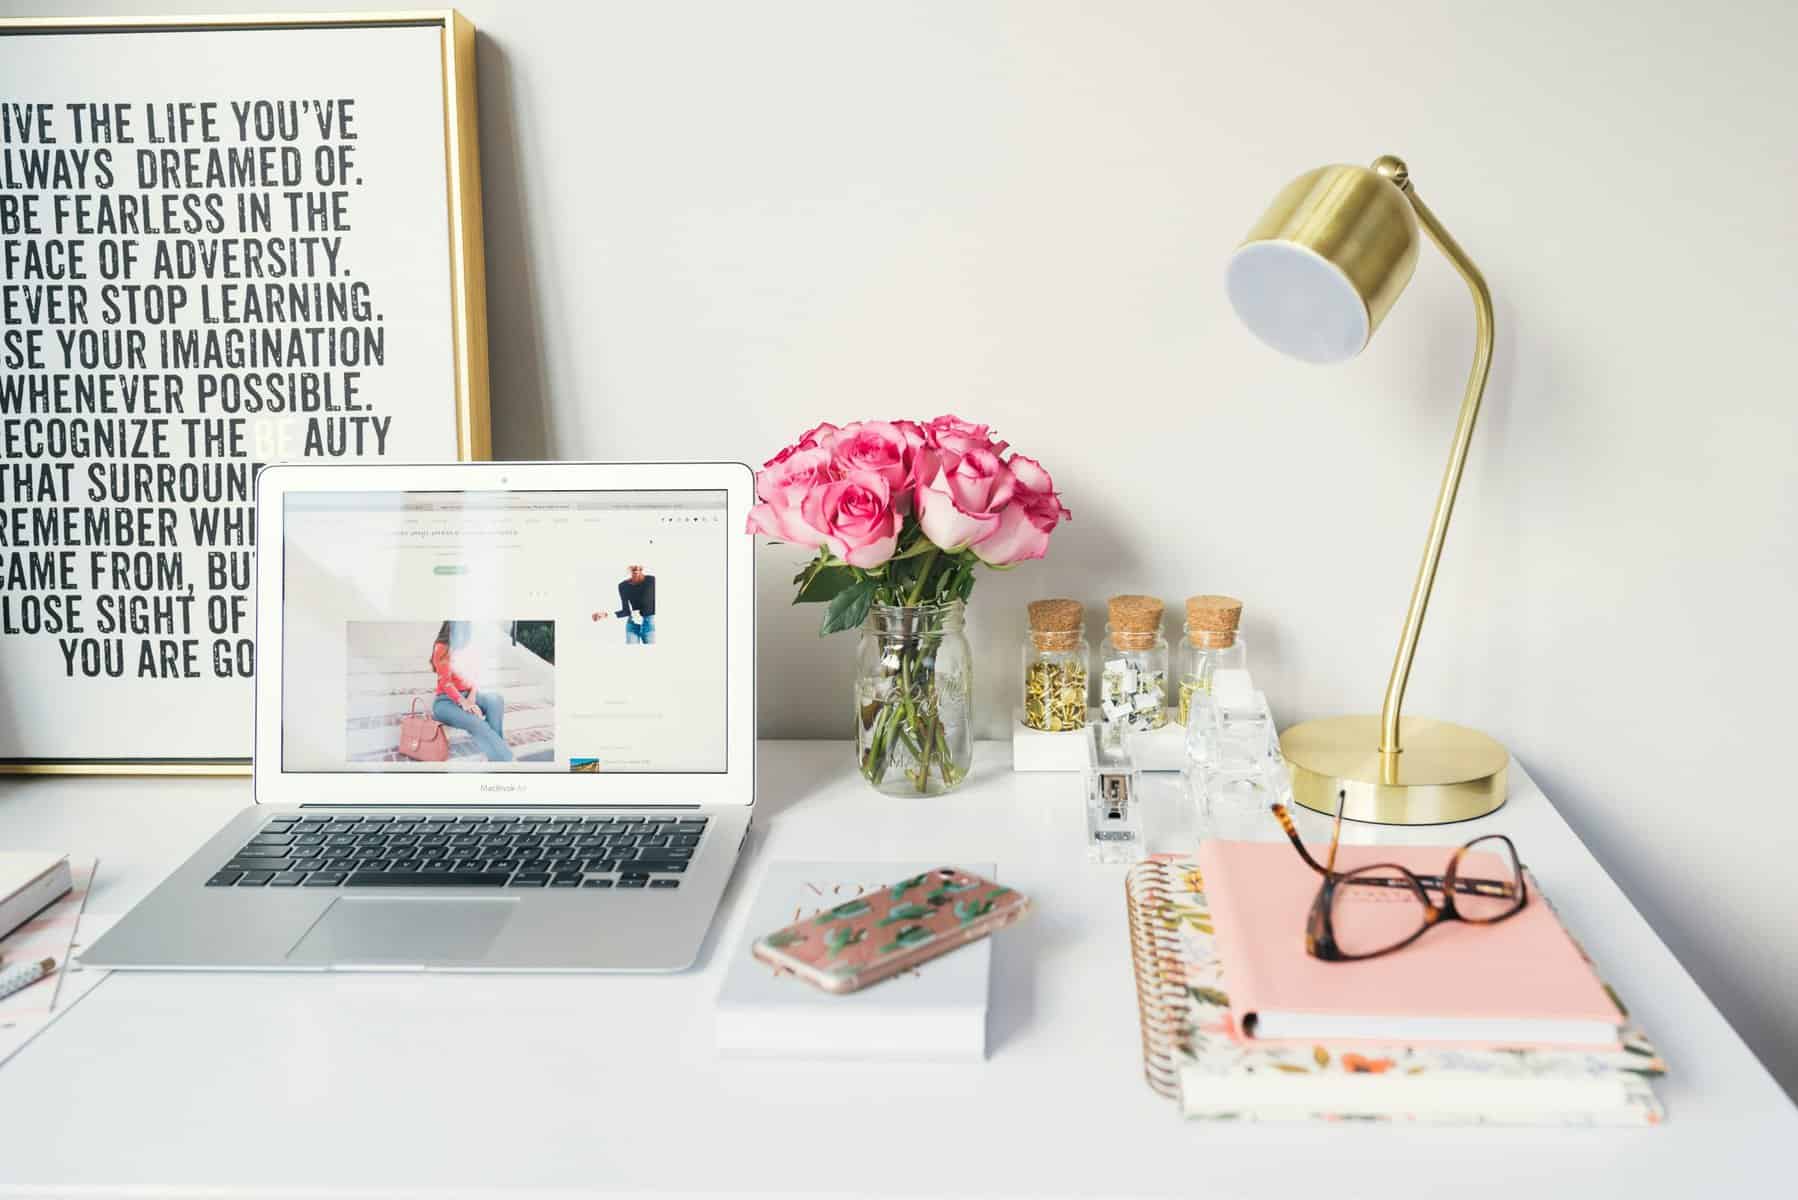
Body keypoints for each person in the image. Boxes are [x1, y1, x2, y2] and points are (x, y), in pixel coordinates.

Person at [429, 620, 513, 762]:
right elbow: (446, 683)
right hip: (445, 701)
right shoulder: (441, 647)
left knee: (495, 700)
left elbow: (475, 677)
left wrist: (471, 698)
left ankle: (497, 751)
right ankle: (505, 760)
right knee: (476, 722)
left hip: (468, 695)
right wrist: (464, 703)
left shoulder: (469, 649)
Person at [593, 565, 656, 644]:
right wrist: (605, 614)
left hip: (650, 624)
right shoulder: (623, 586)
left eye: (639, 564)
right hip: (633, 624)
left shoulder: (652, 581)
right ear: (628, 567)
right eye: (633, 564)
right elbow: (625, 611)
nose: (636, 567)